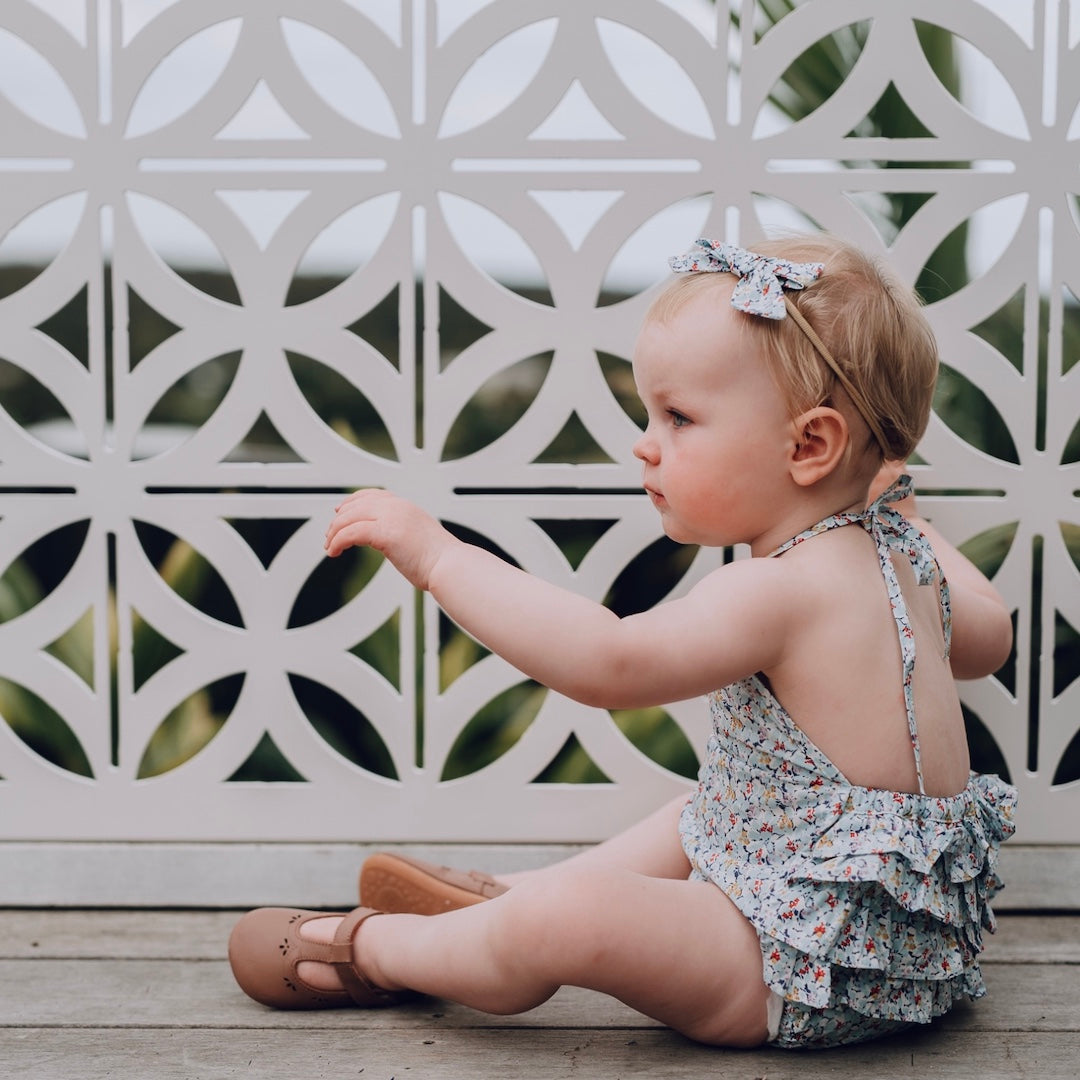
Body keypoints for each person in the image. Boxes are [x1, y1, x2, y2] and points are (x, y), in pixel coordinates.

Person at [227, 235, 1017, 1049]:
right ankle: (510, 892)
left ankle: (380, 951)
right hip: (919, 958)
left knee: (572, 920)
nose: (646, 443)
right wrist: (909, 516)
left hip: (788, 970)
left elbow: (607, 662)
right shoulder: (908, 559)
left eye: (678, 418)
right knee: (706, 811)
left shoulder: (778, 587)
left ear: (809, 447)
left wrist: (440, 558)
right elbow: (990, 637)